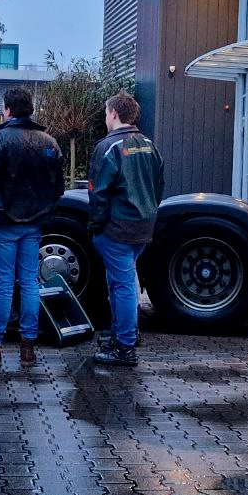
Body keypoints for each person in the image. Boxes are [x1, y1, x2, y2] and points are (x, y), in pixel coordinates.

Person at [0, 87, 64, 368]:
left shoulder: (0, 139)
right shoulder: (50, 142)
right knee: (31, 283)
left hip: (3, 222)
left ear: (7, 110)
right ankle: (28, 348)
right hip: (34, 223)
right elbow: (57, 186)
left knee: (4, 285)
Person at [87, 90, 164, 367]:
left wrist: (96, 227)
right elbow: (158, 185)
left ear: (114, 114)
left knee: (121, 285)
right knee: (126, 280)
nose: (106, 117)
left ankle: (125, 347)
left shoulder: (108, 147)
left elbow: (98, 193)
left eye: (107, 113)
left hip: (116, 227)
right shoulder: (148, 145)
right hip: (143, 225)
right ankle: (124, 333)